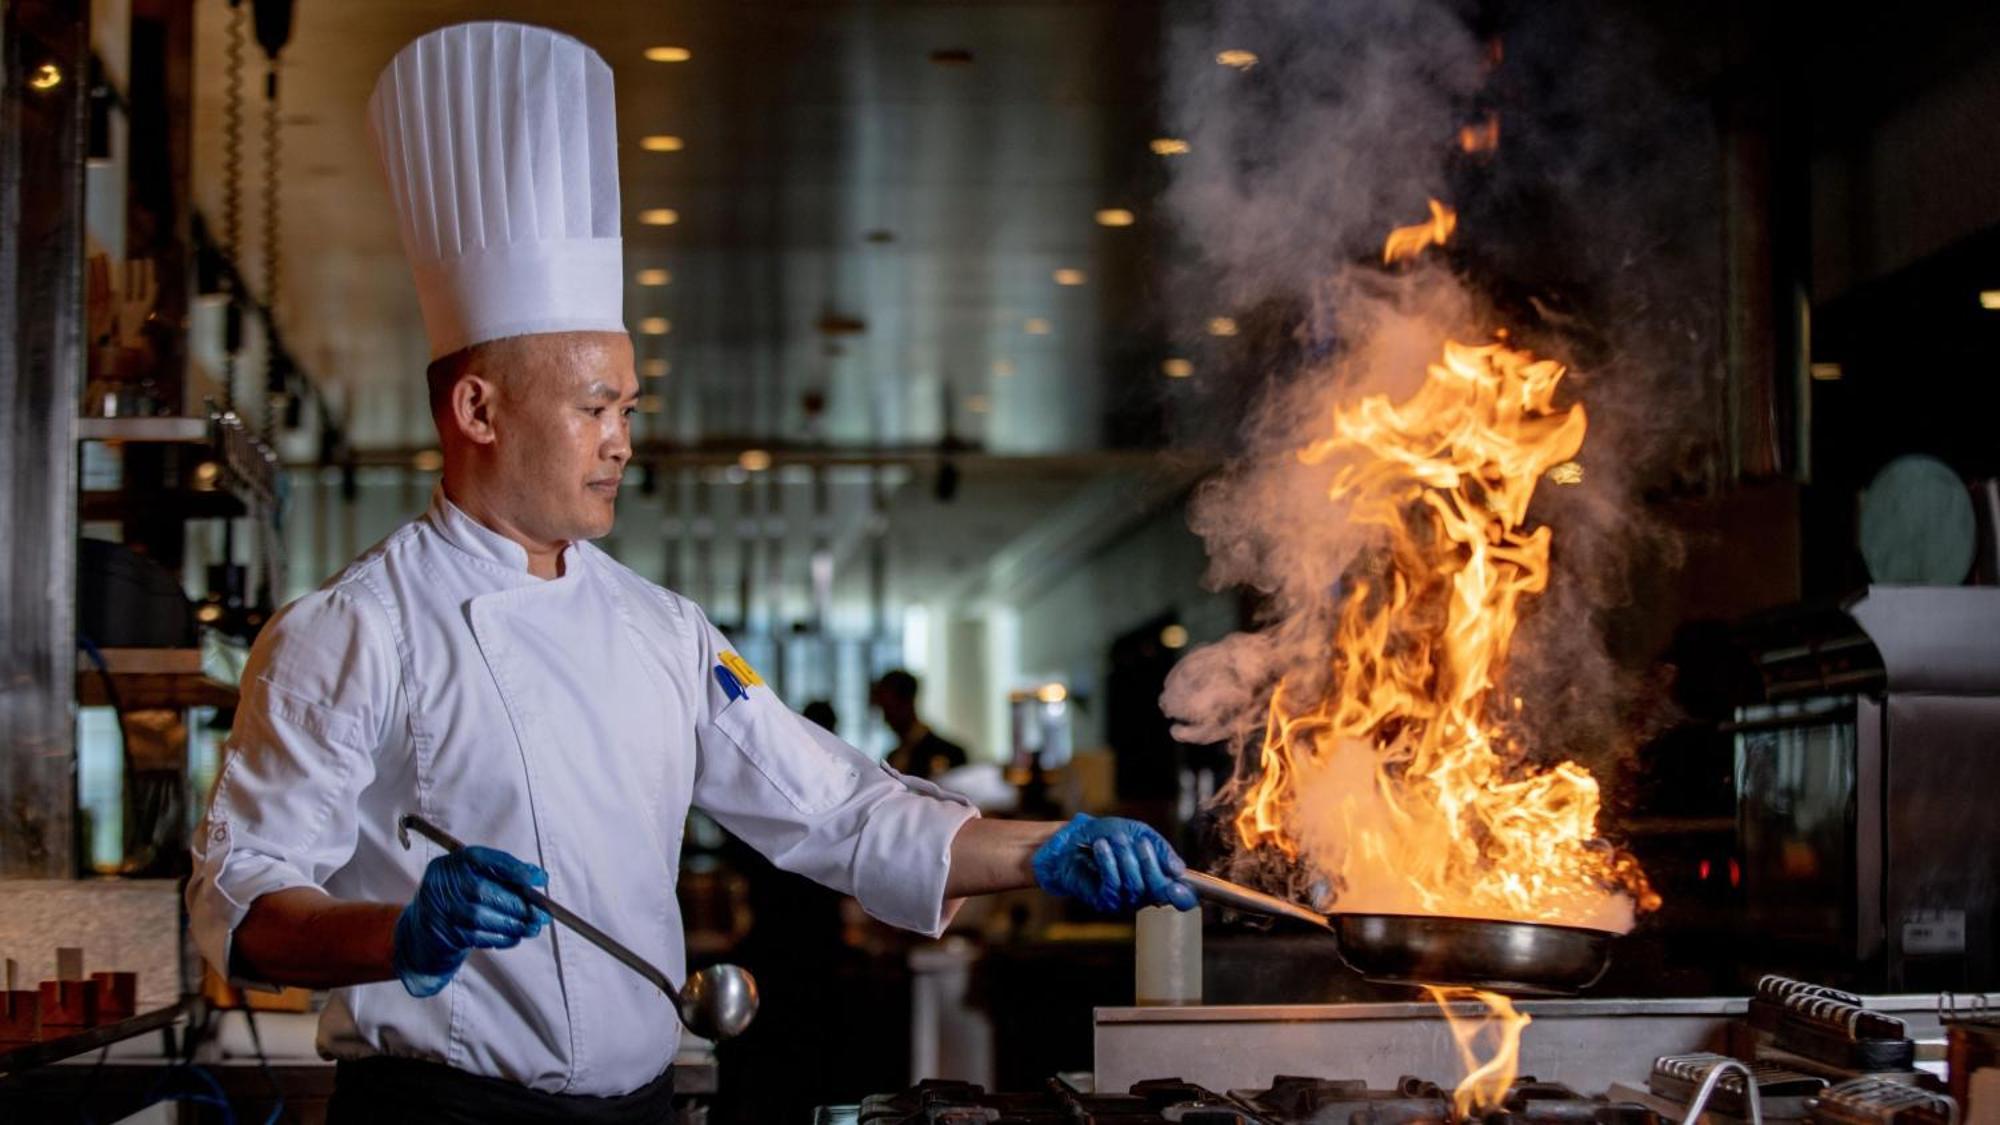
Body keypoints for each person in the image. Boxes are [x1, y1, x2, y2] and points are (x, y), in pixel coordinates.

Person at [184, 23, 1195, 1123]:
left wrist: (1045, 854)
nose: (622, 441)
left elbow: (838, 813)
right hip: (441, 1110)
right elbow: (238, 901)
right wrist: (402, 930)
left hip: (644, 1106)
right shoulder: (354, 627)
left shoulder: (661, 630)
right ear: (476, 410)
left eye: (627, 409)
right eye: (590, 409)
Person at [871, 669, 969, 781]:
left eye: (889, 709)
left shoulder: (950, 753)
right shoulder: (892, 758)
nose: (886, 718)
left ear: (907, 702)